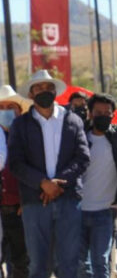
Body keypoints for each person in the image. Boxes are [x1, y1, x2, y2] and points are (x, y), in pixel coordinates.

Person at [8, 70, 90, 278]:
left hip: (68, 199)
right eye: (39, 88)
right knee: (37, 265)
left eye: (48, 88)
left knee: (69, 264)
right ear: (31, 93)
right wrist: (43, 183)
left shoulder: (72, 120)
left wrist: (58, 185)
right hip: (34, 203)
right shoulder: (20, 124)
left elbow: (82, 158)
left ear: (55, 92)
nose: (44, 91)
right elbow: (16, 163)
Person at [79, 93, 117, 278]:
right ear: (90, 113)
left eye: (107, 112)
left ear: (113, 114)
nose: (102, 115)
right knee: (80, 265)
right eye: (98, 112)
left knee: (100, 263)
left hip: (105, 211)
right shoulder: (79, 137)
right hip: (77, 211)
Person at [0, 85, 31, 278]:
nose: (5, 112)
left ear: (19, 111)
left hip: (20, 209)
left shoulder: (28, 139)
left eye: (10, 107)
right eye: (1, 108)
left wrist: (27, 199)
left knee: (21, 261)